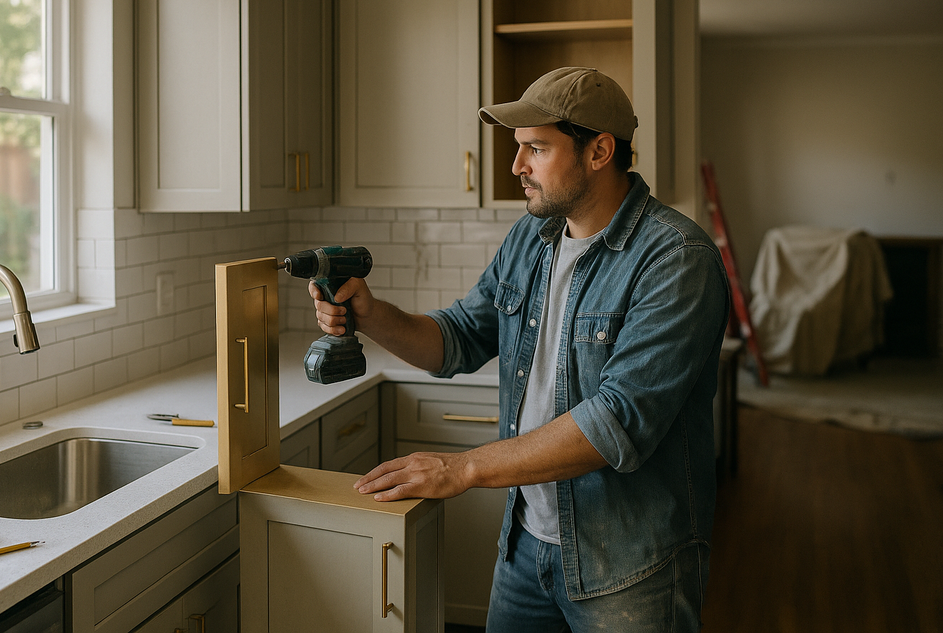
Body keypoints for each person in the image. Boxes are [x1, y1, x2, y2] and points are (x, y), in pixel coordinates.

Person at [309, 67, 730, 632]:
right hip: (526, 546)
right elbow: (457, 339)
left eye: (536, 148)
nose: (517, 167)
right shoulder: (533, 237)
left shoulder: (676, 258)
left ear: (600, 150)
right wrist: (371, 313)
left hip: (631, 564)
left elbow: (617, 421)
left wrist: (463, 468)